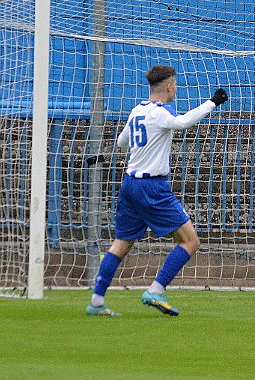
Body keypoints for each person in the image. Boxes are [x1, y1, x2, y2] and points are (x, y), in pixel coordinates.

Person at [86, 65, 229, 317]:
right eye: (175, 85)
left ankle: (96, 301)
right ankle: (156, 289)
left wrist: (105, 155)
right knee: (190, 241)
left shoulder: (137, 110)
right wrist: (212, 102)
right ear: (169, 86)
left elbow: (122, 142)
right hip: (152, 187)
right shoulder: (162, 113)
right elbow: (182, 122)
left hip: (130, 184)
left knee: (121, 243)